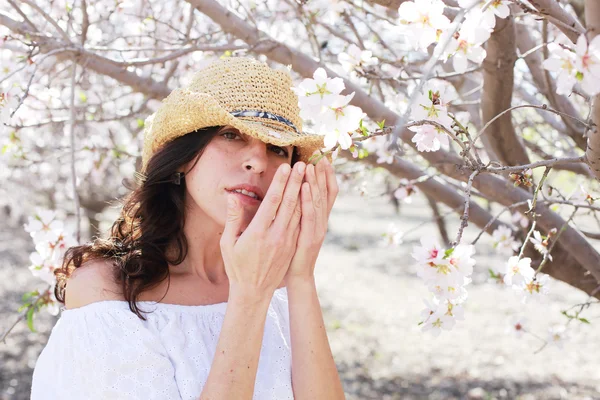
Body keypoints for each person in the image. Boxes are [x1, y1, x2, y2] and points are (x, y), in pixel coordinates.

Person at [30, 56, 344, 399]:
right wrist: (250, 296)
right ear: (182, 155)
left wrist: (300, 278)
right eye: (231, 135)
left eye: (276, 149)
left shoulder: (282, 284)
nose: (257, 162)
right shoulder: (104, 293)